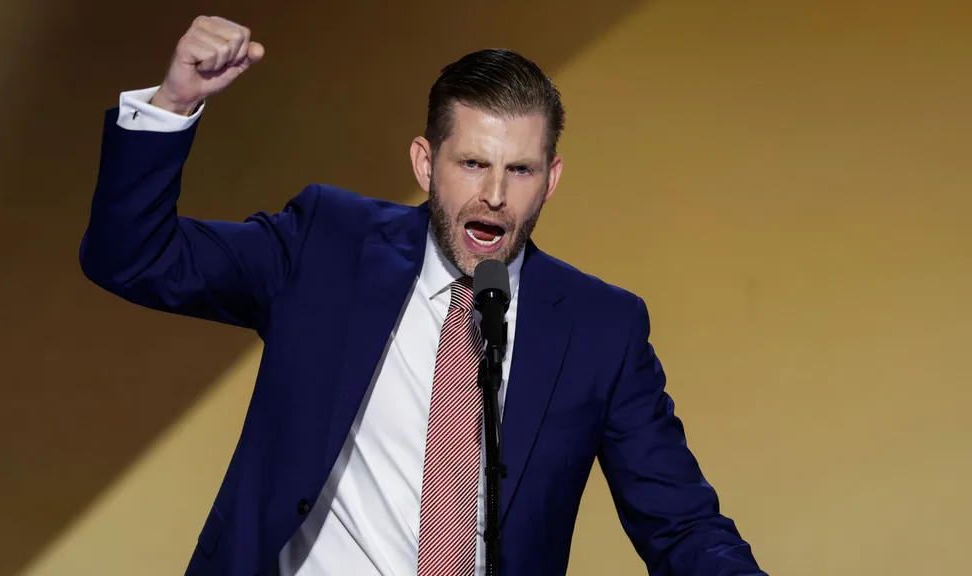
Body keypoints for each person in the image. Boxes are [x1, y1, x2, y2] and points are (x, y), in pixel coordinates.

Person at [80, 14, 766, 576]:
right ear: (424, 163)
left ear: (551, 179)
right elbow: (135, 258)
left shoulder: (600, 328)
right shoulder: (327, 247)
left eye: (519, 170)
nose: (494, 195)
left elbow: (680, 525)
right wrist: (173, 104)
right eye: (472, 163)